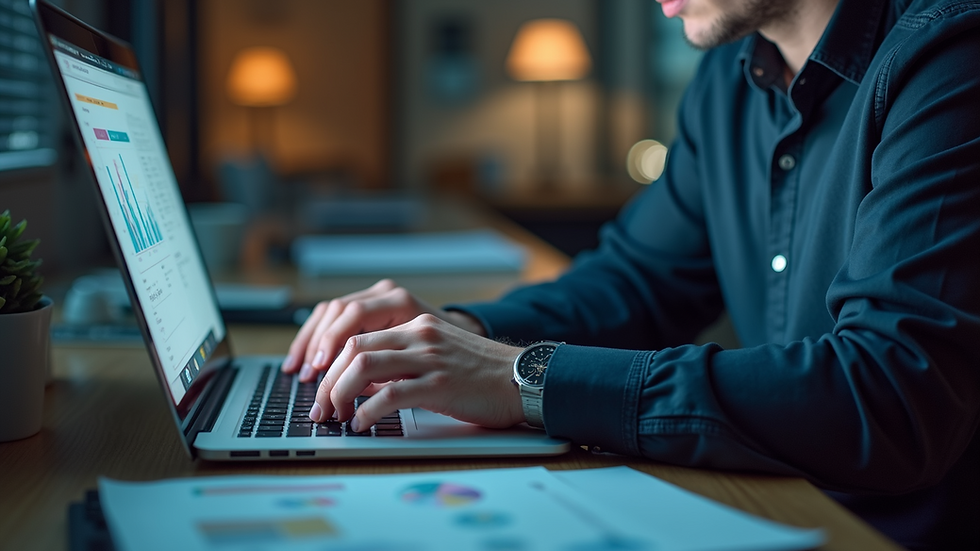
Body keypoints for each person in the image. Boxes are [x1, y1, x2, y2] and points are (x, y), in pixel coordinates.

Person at [282, 0, 980, 548]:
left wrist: (525, 377)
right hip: (780, 503)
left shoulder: (950, 57)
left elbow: (889, 396)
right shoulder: (728, 81)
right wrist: (460, 333)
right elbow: (638, 280)